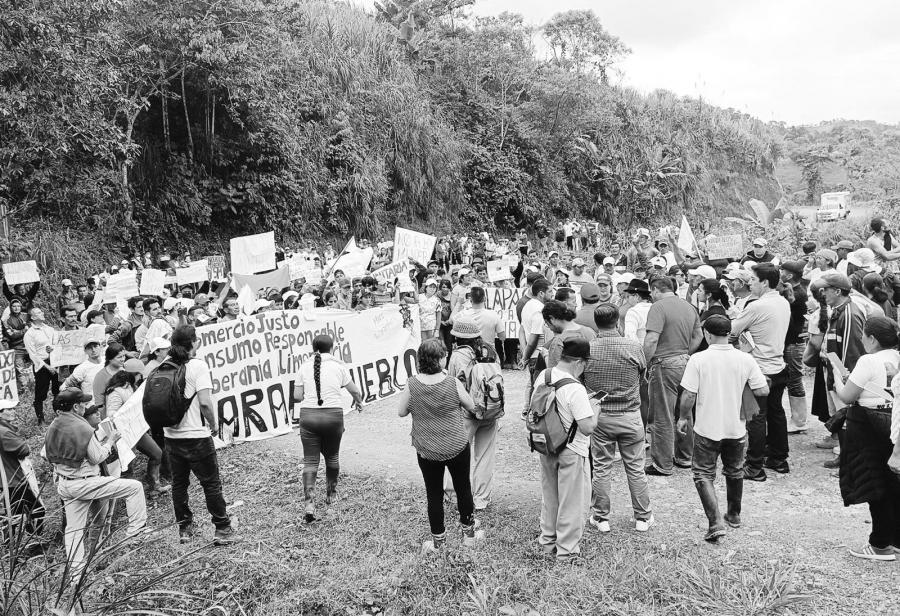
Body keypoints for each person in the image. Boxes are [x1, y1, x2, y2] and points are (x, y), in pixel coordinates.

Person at [676, 315, 769, 542]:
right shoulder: (745, 359)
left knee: (702, 473)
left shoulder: (698, 359)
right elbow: (763, 391)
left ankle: (715, 521)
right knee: (735, 469)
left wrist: (682, 417)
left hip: (707, 427)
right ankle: (734, 515)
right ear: (729, 334)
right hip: (736, 427)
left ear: (707, 334)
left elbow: (688, 394)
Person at [45, 389, 148, 578]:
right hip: (87, 483)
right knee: (134, 488)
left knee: (75, 530)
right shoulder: (82, 427)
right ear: (76, 407)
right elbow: (97, 457)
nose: (85, 406)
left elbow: (46, 454)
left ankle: (77, 574)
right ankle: (135, 533)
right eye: (83, 403)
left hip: (66, 485)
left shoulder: (53, 426)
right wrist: (110, 441)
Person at [397, 338, 479, 552]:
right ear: (439, 360)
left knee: (433, 493)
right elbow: (470, 405)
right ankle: (469, 537)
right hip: (456, 445)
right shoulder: (452, 382)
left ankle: (438, 543)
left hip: (427, 448)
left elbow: (401, 411)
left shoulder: (412, 384)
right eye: (444, 355)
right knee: (463, 488)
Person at [828, 317, 900, 560]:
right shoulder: (897, 358)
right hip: (893, 423)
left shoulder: (868, 360)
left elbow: (847, 396)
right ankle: (896, 539)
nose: (862, 340)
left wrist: (838, 379)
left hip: (867, 425)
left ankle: (880, 544)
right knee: (894, 481)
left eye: (864, 336)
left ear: (872, 339)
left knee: (873, 482)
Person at [163, 325, 236, 545]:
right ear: (194, 342)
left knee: (179, 484)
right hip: (196, 435)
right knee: (211, 483)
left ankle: (184, 530)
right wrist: (214, 425)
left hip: (171, 436)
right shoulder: (197, 366)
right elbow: (205, 402)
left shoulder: (163, 366)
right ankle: (222, 529)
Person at [583, 304, 652, 534]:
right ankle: (643, 517)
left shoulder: (588, 349)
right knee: (636, 468)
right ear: (618, 322)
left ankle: (600, 517)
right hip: (630, 415)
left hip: (600, 416)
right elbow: (643, 376)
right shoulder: (633, 346)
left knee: (601, 467)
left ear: (596, 323)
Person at [532, 338, 597, 559]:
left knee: (550, 498)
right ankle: (566, 551)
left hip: (547, 444)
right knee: (572, 502)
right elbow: (587, 427)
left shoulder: (544, 376)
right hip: (572, 449)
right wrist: (594, 408)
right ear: (579, 362)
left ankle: (547, 542)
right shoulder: (575, 388)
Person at [729, 263, 791, 481]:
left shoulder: (757, 306)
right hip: (778, 366)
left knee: (756, 417)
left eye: (753, 280)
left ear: (765, 282)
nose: (750, 283)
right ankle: (778, 457)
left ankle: (754, 466)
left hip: (760, 369)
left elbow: (732, 330)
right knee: (775, 413)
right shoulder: (782, 302)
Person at [292, 334, 364, 523]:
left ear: (313, 349)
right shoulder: (338, 366)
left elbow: (297, 397)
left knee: (310, 461)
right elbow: (355, 390)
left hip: (308, 417)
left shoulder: (303, 367)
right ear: (332, 348)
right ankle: (331, 495)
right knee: (332, 457)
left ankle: (309, 503)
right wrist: (359, 402)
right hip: (333, 417)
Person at [643, 277, 702, 476]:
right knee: (684, 411)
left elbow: (651, 339)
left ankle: (662, 463)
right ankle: (685, 456)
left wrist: (645, 362)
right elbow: (699, 336)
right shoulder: (688, 306)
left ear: (655, 289)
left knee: (663, 414)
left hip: (664, 363)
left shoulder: (658, 307)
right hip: (685, 362)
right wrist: (685, 353)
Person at [446, 316, 502, 510]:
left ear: (456, 337)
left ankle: (454, 495)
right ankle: (481, 499)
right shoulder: (491, 351)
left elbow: (452, 384)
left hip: (466, 412)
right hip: (490, 410)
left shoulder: (457, 356)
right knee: (485, 455)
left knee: (458, 454)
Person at [0, 402, 44, 535]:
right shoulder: (5, 432)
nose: (13, 411)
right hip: (15, 480)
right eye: (8, 409)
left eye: (13, 408)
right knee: (37, 511)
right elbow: (24, 450)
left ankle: (10, 547)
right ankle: (35, 543)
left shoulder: (5, 429)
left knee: (12, 515)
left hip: (7, 480)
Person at [780, 261, 810, 434]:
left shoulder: (797, 295)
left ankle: (799, 421)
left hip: (793, 343)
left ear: (790, 275)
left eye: (782, 270)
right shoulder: (796, 291)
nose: (780, 272)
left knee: (794, 380)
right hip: (791, 342)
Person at [23, 307, 58, 424]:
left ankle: (58, 412)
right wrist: (47, 367)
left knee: (57, 389)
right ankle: (40, 418)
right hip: (42, 365)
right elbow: (32, 355)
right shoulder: (29, 334)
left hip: (54, 361)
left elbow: (56, 342)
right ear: (33, 317)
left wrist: (52, 348)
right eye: (38, 312)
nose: (42, 313)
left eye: (42, 311)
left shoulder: (50, 329)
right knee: (41, 392)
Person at [452, 286, 505, 358]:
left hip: (467, 354)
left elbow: (451, 320)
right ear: (485, 299)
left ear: (470, 300)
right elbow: (502, 337)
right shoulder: (494, 315)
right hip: (488, 355)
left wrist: (458, 303)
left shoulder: (462, 314)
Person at [542, 300, 594, 370]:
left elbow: (554, 372)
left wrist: (546, 356)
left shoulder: (558, 341)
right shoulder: (590, 331)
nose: (550, 328)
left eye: (546, 323)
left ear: (552, 318)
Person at [1, 298, 29, 393]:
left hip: (29, 345)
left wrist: (17, 331)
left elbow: (32, 328)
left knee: (37, 365)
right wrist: (24, 330)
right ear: (10, 308)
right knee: (19, 369)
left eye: (18, 306)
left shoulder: (26, 316)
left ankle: (34, 385)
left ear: (21, 307)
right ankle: (23, 389)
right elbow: (11, 335)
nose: (16, 308)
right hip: (17, 347)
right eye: (14, 306)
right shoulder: (7, 320)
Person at [621, 279, 652, 344]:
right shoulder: (655, 308)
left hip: (640, 349)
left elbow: (629, 336)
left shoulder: (633, 311)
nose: (627, 299)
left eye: (628, 296)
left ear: (637, 296)